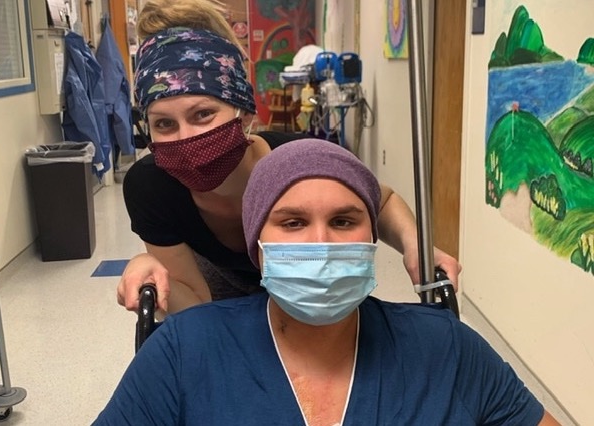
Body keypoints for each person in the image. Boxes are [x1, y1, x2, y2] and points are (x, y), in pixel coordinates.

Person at [94, 139, 557, 425]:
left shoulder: (448, 349)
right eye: (292, 223)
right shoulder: (183, 351)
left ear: (372, 237)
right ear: (258, 247)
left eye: (343, 221)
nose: (321, 243)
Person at [118, 0, 461, 315]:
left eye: (203, 114)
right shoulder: (151, 187)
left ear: (243, 109)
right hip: (220, 305)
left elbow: (380, 201)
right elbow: (196, 310)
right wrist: (151, 277)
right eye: (164, 123)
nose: (186, 138)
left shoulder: (300, 161)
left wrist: (415, 244)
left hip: (304, 301)